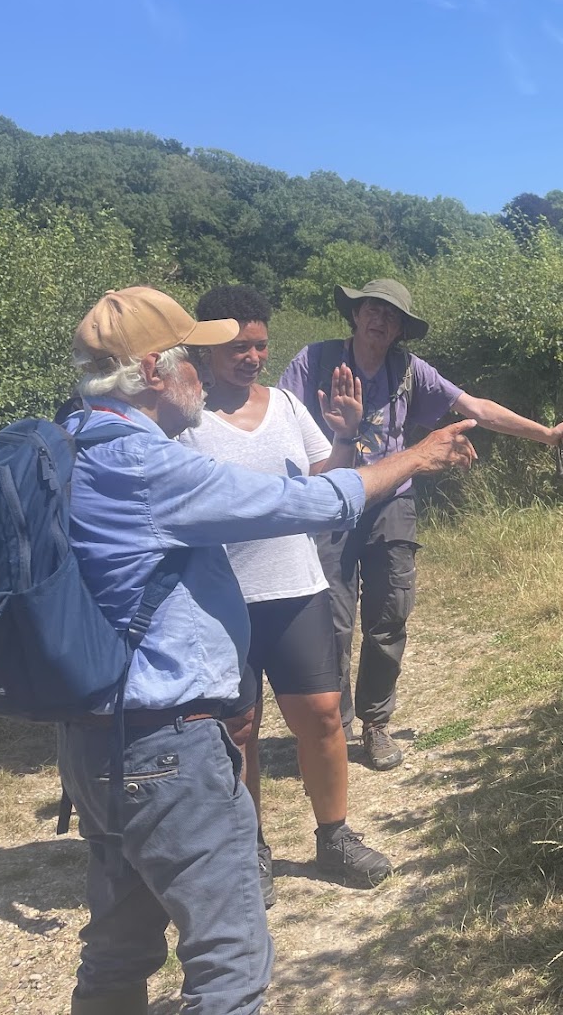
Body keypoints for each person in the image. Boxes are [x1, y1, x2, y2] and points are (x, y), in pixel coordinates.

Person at [58, 286, 476, 1015]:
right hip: (164, 746)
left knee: (119, 949)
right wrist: (416, 454)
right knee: (230, 966)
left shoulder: (70, 439)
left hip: (95, 741)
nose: (212, 368)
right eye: (194, 355)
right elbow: (306, 502)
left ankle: (331, 835)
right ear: (155, 370)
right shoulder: (147, 464)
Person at [279, 278, 563, 771]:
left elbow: (477, 409)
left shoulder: (408, 370)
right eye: (372, 309)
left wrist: (547, 434)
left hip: (391, 501)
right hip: (330, 503)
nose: (380, 320)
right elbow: (279, 421)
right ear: (355, 314)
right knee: (331, 620)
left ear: (400, 329)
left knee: (390, 613)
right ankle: (332, 726)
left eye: (391, 315)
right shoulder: (313, 362)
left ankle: (376, 723)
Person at [177, 285, 389, 904]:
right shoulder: (182, 420)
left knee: (321, 715)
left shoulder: (289, 406)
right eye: (239, 347)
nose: (252, 357)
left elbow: (324, 487)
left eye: (261, 345)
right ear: (206, 347)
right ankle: (250, 847)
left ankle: (335, 835)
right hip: (221, 604)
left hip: (297, 588)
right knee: (238, 729)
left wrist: (344, 438)